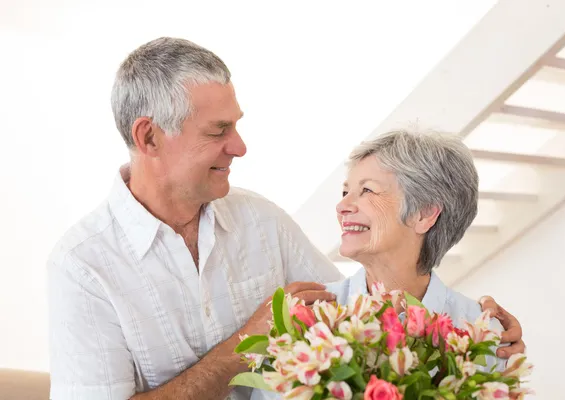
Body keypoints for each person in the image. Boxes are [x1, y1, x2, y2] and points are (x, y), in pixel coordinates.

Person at [46, 37, 524, 400]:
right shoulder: (83, 265)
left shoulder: (261, 221)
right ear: (149, 138)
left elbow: (366, 309)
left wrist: (486, 335)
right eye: (219, 131)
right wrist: (242, 346)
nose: (240, 147)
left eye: (236, 125)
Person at [249, 130, 511, 399]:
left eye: (366, 190)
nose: (342, 205)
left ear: (424, 214)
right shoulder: (306, 318)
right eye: (345, 191)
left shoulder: (486, 335)